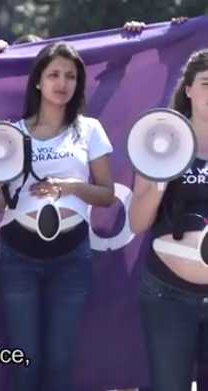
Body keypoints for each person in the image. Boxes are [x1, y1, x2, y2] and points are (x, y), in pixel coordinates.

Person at [0, 42, 114, 390]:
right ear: (38, 81)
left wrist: (71, 186)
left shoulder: (90, 130)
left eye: (71, 76)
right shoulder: (13, 133)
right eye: (54, 74)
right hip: (18, 259)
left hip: (71, 259)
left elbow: (107, 194)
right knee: (25, 365)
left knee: (60, 365)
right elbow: (1, 205)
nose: (62, 82)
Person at [129, 49, 208, 391]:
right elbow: (137, 222)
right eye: (207, 83)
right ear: (188, 89)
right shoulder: (160, 139)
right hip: (168, 295)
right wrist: (159, 181)